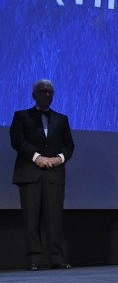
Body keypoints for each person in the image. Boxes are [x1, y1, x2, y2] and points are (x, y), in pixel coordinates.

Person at [9, 79, 74, 270]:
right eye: (43, 91)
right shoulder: (21, 116)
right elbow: (17, 141)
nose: (47, 95)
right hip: (30, 173)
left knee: (54, 217)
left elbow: (69, 146)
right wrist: (37, 157)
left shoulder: (62, 119)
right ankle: (34, 259)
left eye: (50, 92)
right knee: (31, 218)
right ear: (34, 94)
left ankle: (56, 257)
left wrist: (59, 159)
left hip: (54, 174)